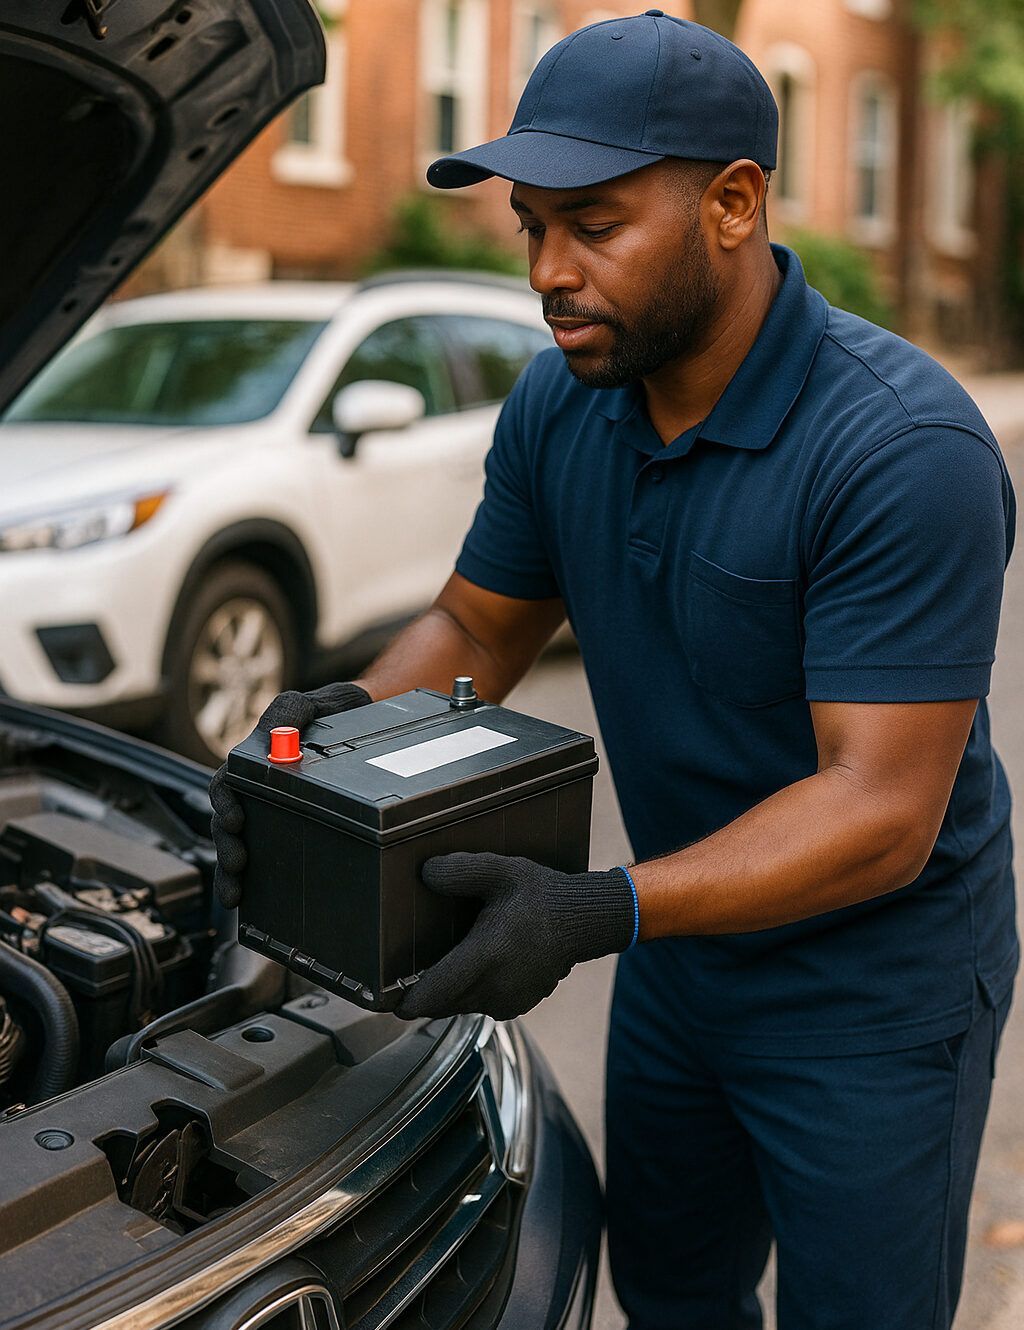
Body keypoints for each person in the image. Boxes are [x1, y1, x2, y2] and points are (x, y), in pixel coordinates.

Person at [210, 12, 1017, 1329]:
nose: (549, 270)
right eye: (532, 226)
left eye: (594, 224)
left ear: (734, 205)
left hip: (876, 986)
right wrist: (334, 742)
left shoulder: (901, 447)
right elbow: (477, 631)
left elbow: (881, 810)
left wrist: (593, 910)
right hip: (684, 948)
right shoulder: (559, 403)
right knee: (671, 1286)